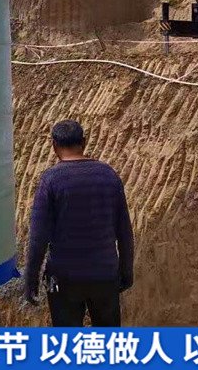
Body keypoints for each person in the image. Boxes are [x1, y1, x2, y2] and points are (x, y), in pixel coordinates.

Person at [24, 119, 134, 327]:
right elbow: (124, 231)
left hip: (64, 278)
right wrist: (126, 270)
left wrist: (31, 278)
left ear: (54, 146)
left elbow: (38, 236)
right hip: (105, 274)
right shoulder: (108, 175)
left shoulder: (50, 180)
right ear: (84, 142)